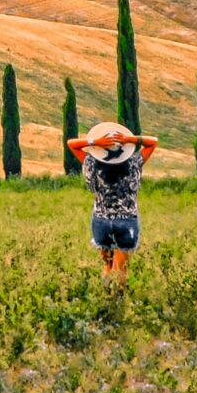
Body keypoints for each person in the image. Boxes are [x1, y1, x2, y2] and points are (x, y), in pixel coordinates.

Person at [67, 120, 158, 285]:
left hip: (101, 220)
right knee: (121, 267)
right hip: (127, 220)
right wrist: (129, 139)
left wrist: (95, 142)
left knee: (107, 265)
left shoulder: (91, 164)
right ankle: (118, 301)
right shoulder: (133, 164)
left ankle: (106, 296)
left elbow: (72, 143)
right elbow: (153, 143)